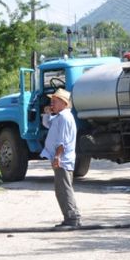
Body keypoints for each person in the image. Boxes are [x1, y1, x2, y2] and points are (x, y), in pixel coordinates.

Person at [40, 87, 81, 228]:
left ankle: (72, 218)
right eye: (51, 101)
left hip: (62, 159)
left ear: (64, 103)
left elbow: (62, 141)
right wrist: (47, 112)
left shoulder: (64, 117)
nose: (52, 104)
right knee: (62, 189)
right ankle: (71, 217)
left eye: (55, 101)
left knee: (63, 190)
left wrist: (57, 157)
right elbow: (47, 123)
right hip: (62, 159)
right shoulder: (60, 116)